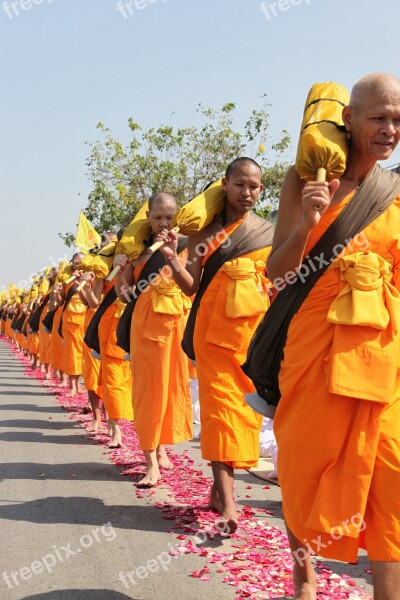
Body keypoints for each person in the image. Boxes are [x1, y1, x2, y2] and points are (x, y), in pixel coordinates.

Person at [267, 73, 400, 600]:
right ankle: (304, 577)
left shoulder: (393, 190)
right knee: (305, 463)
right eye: (378, 117)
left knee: (391, 474)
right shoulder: (303, 181)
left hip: (381, 361)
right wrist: (307, 221)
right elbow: (276, 274)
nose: (390, 128)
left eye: (398, 118)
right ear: (348, 118)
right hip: (314, 352)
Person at [155, 159, 274, 532]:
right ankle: (230, 506)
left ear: (262, 190)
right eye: (240, 185)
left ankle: (217, 487)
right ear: (225, 185)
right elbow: (192, 286)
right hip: (213, 339)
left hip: (252, 340)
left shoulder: (268, 232)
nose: (247, 193)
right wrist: (174, 258)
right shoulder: (208, 232)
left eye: (254, 186)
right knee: (220, 414)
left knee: (244, 416)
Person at [113, 192, 193, 487]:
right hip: (146, 326)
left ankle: (161, 447)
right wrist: (122, 272)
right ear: (147, 217)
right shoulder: (137, 252)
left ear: (177, 216)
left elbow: (191, 285)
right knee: (148, 390)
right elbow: (125, 295)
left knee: (171, 388)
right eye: (157, 217)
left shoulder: (187, 244)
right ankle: (150, 462)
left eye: (169, 217)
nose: (163, 223)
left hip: (176, 325)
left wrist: (173, 255)